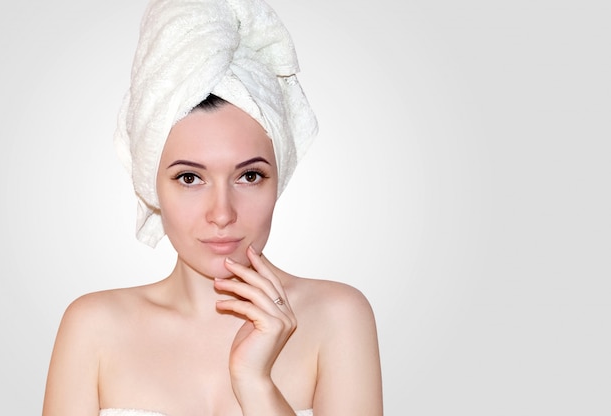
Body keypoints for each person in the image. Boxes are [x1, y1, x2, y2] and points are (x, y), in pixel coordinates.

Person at [42, 0, 383, 415]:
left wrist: (255, 383)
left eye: (249, 176)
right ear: (152, 185)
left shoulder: (337, 318)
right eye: (190, 178)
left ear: (280, 178)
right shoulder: (93, 327)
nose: (222, 213)